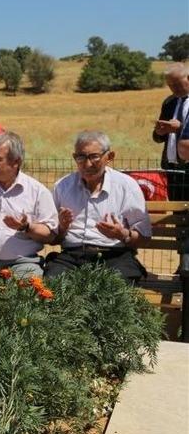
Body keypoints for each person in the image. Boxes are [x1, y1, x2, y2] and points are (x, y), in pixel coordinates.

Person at [45, 131, 152, 283]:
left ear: (109, 157)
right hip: (72, 257)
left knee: (113, 292)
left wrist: (122, 234)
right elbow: (53, 239)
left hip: (115, 257)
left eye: (94, 156)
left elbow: (145, 238)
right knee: (52, 285)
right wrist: (62, 228)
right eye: (81, 157)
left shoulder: (126, 186)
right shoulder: (62, 186)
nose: (87, 164)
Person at [0, 132, 58, 276]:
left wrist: (26, 227)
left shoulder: (37, 191)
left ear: (16, 162)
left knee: (26, 292)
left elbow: (50, 236)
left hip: (23, 263)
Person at [154, 63, 189, 200]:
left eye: (177, 84)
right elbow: (157, 138)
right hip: (171, 167)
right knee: (176, 211)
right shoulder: (169, 102)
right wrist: (159, 132)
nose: (174, 89)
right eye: (170, 85)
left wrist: (181, 128)